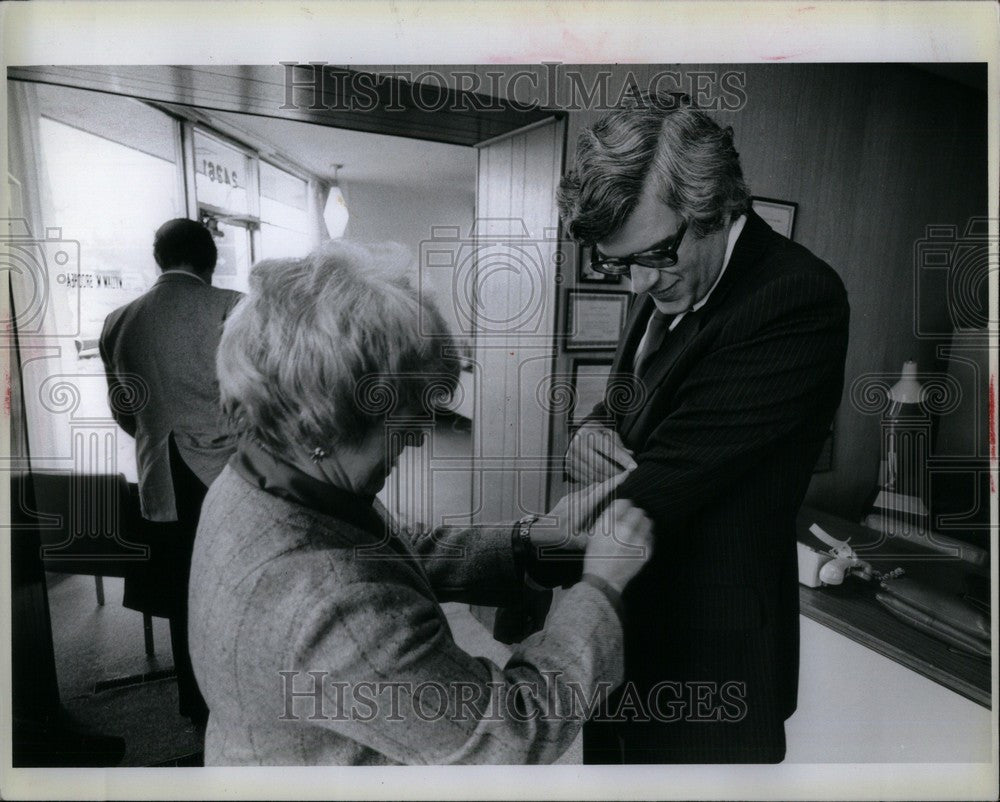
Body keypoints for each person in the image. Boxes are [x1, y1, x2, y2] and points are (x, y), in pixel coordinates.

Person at [188, 240, 655, 765]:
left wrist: (528, 543)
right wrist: (600, 588)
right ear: (323, 418)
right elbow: (510, 735)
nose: (418, 437)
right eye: (406, 416)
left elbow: (389, 549)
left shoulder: (263, 476)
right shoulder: (329, 606)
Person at [556, 94, 850, 763]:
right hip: (626, 645)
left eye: (652, 254)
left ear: (714, 206)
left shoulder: (796, 299)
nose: (635, 284)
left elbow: (665, 482)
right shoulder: (667, 277)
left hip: (710, 668)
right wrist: (590, 428)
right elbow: (629, 402)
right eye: (618, 263)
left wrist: (512, 554)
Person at [100, 218, 242, 726]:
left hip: (161, 474)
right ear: (210, 260)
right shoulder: (232, 306)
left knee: (185, 592)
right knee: (235, 583)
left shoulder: (118, 320)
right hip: (224, 471)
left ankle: (195, 702)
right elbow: (255, 396)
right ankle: (237, 696)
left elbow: (124, 409)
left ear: (159, 260)